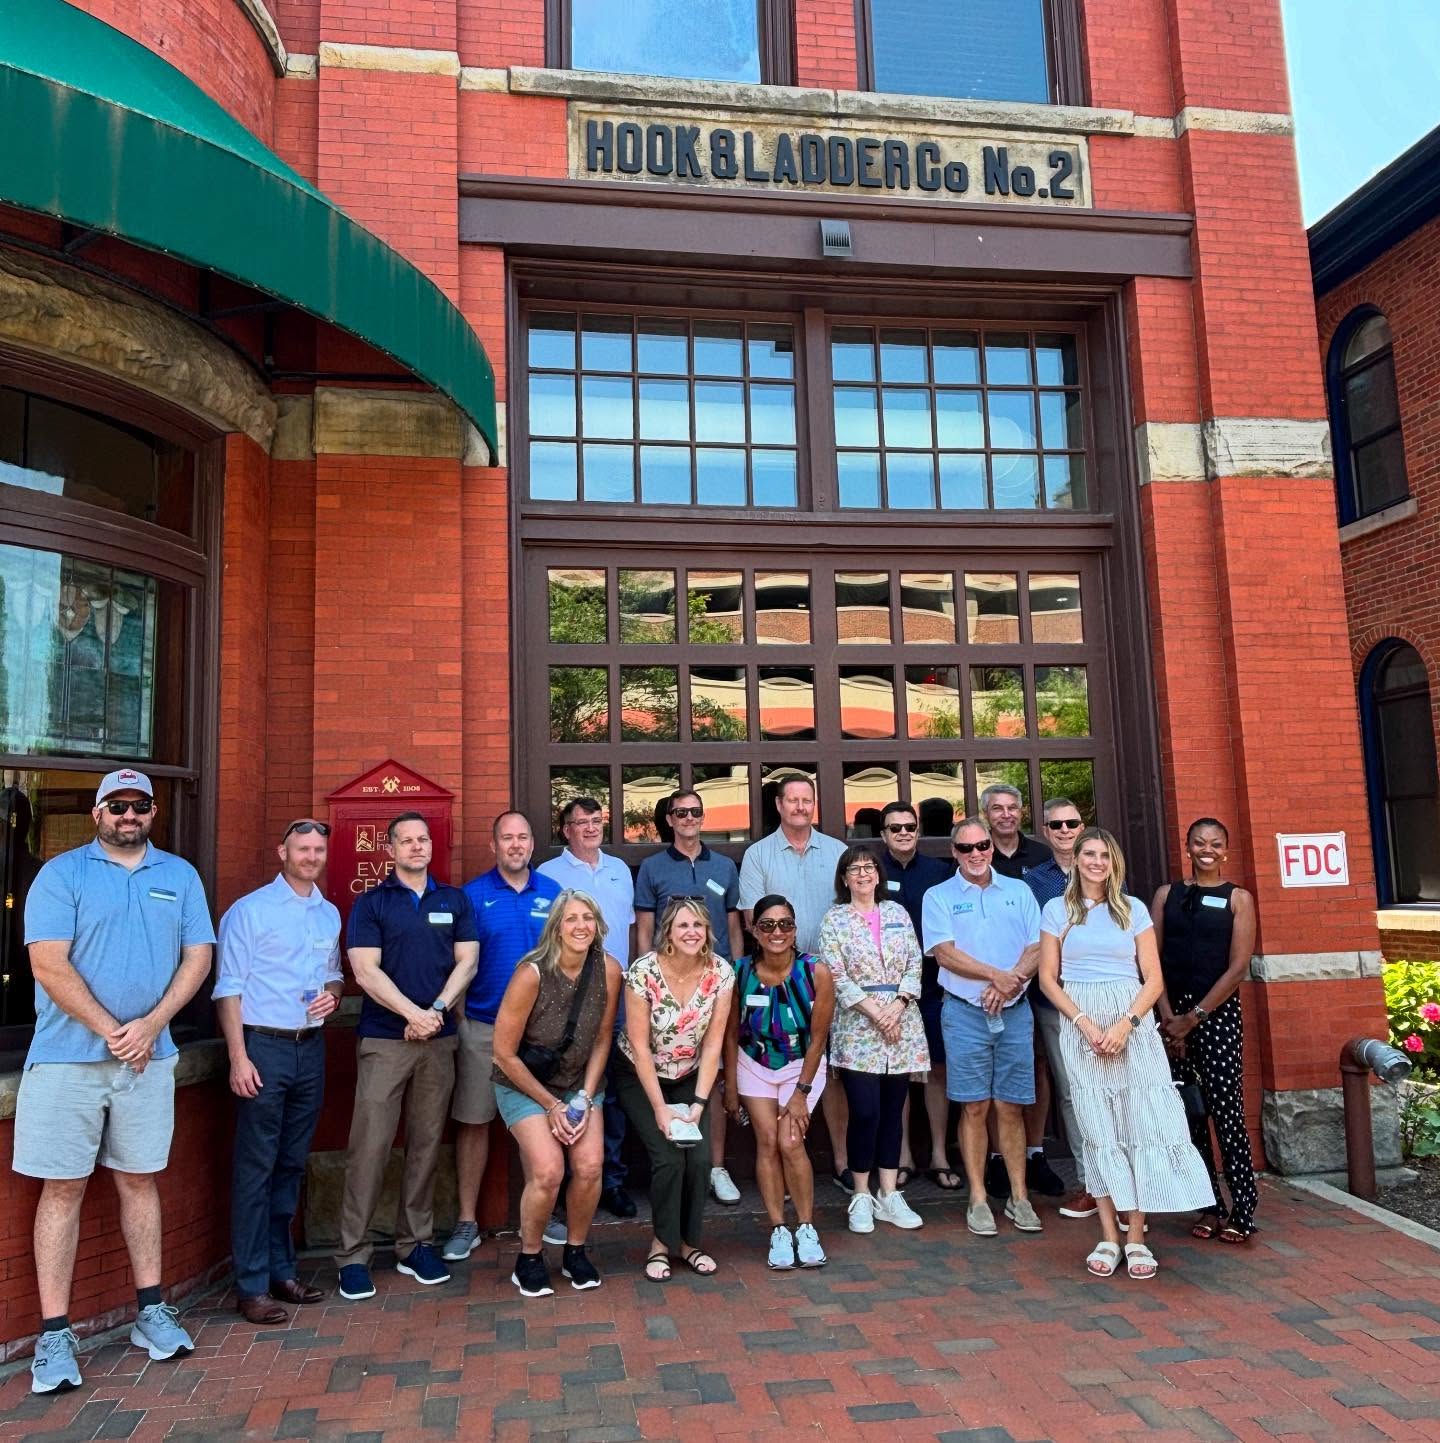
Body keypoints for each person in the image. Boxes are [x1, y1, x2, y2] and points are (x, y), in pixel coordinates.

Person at [20, 768, 215, 1393]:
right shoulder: (61, 874)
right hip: (65, 1061)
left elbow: (199, 957)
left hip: (147, 1062)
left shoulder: (179, 876)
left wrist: (151, 1025)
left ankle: (151, 1310)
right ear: (98, 811)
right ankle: (55, 1335)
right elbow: (48, 963)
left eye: (140, 806)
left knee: (139, 1180)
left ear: (152, 812)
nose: (129, 816)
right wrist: (114, 1029)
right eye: (117, 806)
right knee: (64, 1189)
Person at [1038, 827, 1214, 1279]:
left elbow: (1153, 980)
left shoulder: (1132, 910)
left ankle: (1136, 1236)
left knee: (1140, 1126)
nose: (1097, 862)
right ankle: (1107, 1236)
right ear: (1076, 860)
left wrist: (1125, 1025)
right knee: (1098, 1130)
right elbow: (1048, 980)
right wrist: (1084, 1024)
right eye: (1089, 854)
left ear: (1114, 863)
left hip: (1130, 1021)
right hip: (1080, 1024)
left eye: (1105, 855)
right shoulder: (1056, 909)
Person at [334, 813, 478, 1301]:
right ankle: (353, 1255)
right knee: (369, 1147)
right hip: (385, 1040)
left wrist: (435, 1011)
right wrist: (412, 1014)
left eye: (423, 839)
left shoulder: (452, 900)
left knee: (426, 1144)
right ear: (390, 849)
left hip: (438, 1041)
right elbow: (364, 970)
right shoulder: (372, 903)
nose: (417, 847)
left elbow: (468, 960)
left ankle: (414, 1244)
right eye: (406, 841)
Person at [214, 819, 343, 1324]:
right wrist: (237, 1057)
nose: (310, 856)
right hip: (262, 1046)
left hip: (309, 1048)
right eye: (302, 848)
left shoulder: (327, 913)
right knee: (256, 1167)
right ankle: (250, 1285)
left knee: (291, 1162)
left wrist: (332, 995)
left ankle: (280, 1271)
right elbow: (228, 988)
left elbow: (333, 971)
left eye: (318, 849)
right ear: (281, 851)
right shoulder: (249, 912)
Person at [491, 889, 623, 1297]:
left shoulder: (609, 969)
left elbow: (602, 1039)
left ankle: (575, 1251)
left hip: (579, 1084)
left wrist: (583, 1097)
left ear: (598, 924)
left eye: (587, 917)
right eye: (571, 919)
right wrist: (550, 1106)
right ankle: (528, 1257)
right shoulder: (531, 973)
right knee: (549, 1170)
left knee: (589, 1166)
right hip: (525, 1084)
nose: (580, 926)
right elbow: (503, 1052)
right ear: (556, 928)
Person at [444, 811, 561, 1263]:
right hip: (482, 1028)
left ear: (533, 844)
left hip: (538, 1033)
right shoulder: (471, 896)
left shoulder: (553, 894)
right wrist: (460, 1017)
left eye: (523, 837)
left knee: (540, 1123)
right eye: (506, 837)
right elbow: (458, 962)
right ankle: (468, 1221)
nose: (515, 845)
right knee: (474, 1122)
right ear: (493, 846)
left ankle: (545, 1212)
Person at [921, 816, 1044, 1239]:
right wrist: (999, 978)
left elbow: (1038, 945)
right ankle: (977, 1197)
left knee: (1011, 1106)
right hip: (964, 1012)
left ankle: (1018, 1195)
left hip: (1015, 1010)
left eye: (982, 846)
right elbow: (945, 954)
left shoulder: (1020, 890)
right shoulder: (938, 896)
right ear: (954, 853)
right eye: (966, 848)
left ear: (993, 847)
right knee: (974, 1106)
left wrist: (1010, 986)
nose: (976, 855)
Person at [612, 898, 734, 1279]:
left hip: (689, 1077)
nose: (691, 932)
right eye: (683, 925)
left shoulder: (721, 973)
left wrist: (698, 1103)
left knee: (698, 1161)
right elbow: (641, 1047)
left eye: (698, 925)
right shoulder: (643, 971)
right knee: (667, 1158)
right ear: (668, 931)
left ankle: (690, 1242)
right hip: (639, 1074)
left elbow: (713, 1045)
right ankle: (662, 1244)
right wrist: (661, 1109)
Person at [739, 775, 850, 1189]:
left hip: (829, 977)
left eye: (807, 800)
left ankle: (840, 1159)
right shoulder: (758, 855)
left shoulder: (837, 852)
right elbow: (752, 918)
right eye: (793, 800)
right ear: (780, 806)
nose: (801, 807)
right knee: (778, 1065)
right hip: (776, 978)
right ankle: (781, 1167)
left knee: (832, 1069)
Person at [636, 788, 744, 1207]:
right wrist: (646, 981)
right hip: (667, 988)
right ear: (669, 819)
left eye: (695, 812)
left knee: (713, 1074)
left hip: (714, 985)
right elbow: (645, 930)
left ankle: (716, 1166)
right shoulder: (652, 868)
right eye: (680, 812)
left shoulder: (725, 866)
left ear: (703, 816)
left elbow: (733, 927)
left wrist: (734, 969)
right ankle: (672, 1162)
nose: (688, 818)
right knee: (669, 1071)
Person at [1153, 818, 1259, 1244]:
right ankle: (1209, 1204)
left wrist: (1192, 1018)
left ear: (1226, 850)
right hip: (1169, 1020)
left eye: (1215, 843)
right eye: (1199, 842)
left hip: (1215, 1019)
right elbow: (1152, 959)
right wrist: (1167, 1020)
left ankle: (1242, 1209)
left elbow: (1238, 968)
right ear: (1188, 846)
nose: (1207, 849)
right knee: (1189, 1116)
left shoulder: (1239, 899)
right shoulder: (1166, 895)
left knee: (1227, 1115)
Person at [818, 844, 928, 1235]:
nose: (863, 874)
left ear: (879, 875)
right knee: (865, 1111)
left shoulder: (897, 912)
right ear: (844, 878)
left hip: (901, 1023)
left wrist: (897, 1005)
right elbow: (835, 972)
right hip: (857, 1024)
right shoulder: (834, 919)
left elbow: (915, 961)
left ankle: (888, 1193)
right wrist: (874, 1011)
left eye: (869, 867)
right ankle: (861, 1195)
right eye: (854, 869)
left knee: (894, 1110)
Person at [722, 895, 835, 1269]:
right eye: (767, 925)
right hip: (753, 1062)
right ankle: (778, 1230)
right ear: (754, 931)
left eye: (785, 924)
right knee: (767, 1141)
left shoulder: (815, 971)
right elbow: (730, 1035)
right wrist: (732, 1089)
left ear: (795, 929)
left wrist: (801, 1093)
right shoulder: (739, 972)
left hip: (801, 1064)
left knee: (790, 1142)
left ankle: (805, 1227)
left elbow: (819, 1039)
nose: (777, 932)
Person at [538, 797, 638, 1219]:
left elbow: (632, 933)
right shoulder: (547, 875)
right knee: (563, 1086)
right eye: (582, 822)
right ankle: (560, 1185)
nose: (592, 828)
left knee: (609, 1091)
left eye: (597, 820)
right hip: (565, 999)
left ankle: (610, 1181)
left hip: (614, 994)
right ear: (566, 830)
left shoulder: (619, 870)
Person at [980, 782, 1060, 1202]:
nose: (1006, 815)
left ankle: (1035, 1152)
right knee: (994, 1072)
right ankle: (996, 1156)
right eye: (997, 808)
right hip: (992, 985)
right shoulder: (978, 854)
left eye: (1013, 807)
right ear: (986, 815)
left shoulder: (1042, 857)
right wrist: (1003, 979)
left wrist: (1021, 976)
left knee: (1038, 1066)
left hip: (1037, 980)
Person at [877, 801, 957, 1191]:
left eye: (909, 827)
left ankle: (939, 1153)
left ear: (918, 830)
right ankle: (903, 1154)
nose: (903, 833)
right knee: (900, 1075)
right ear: (883, 835)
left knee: (937, 1070)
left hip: (935, 987)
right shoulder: (873, 873)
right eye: (895, 828)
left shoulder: (940, 872)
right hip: (888, 993)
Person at [1021, 797, 1094, 1220]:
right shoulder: (1035, 882)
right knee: (1072, 1092)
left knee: (1114, 1091)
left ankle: (1124, 1181)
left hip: (1105, 999)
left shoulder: (1105, 872)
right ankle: (1090, 1182)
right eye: (1056, 825)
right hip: (1056, 1003)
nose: (1065, 830)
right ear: (1045, 833)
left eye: (1072, 823)